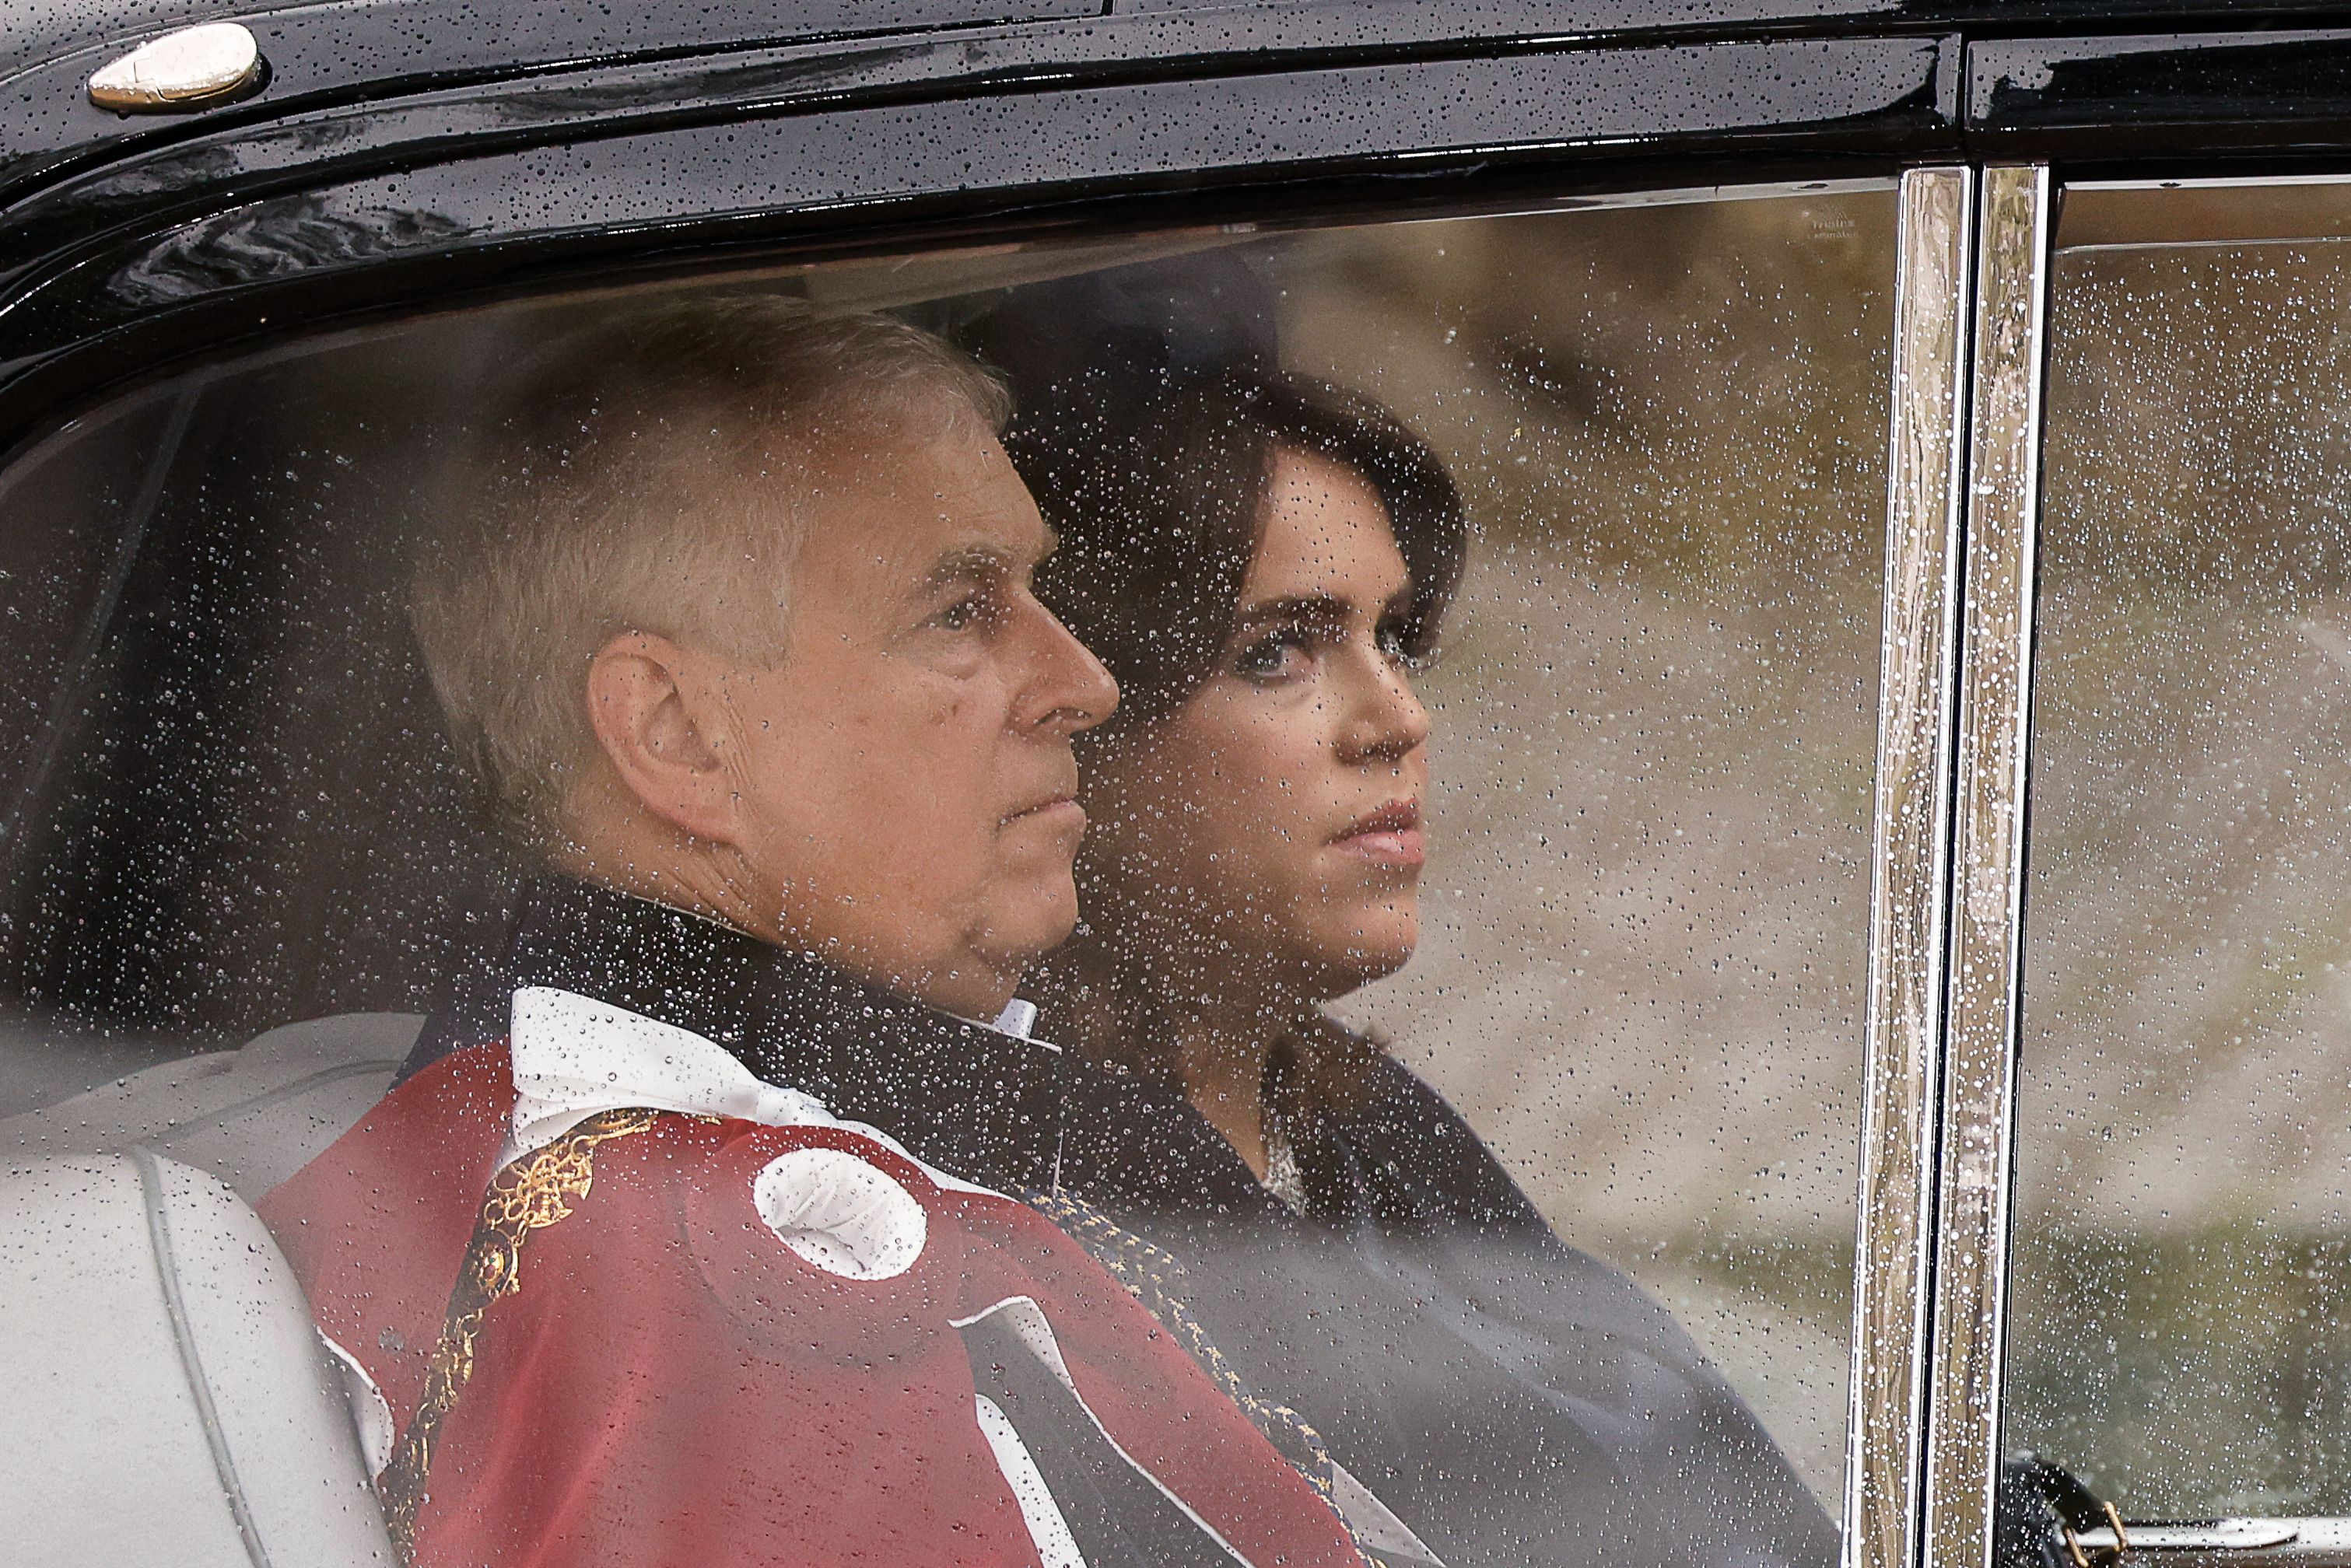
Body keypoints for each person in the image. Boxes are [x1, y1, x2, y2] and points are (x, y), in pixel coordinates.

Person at [255, 296, 1387, 1568]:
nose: (1086, 682)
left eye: (1037, 591)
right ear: (679, 734)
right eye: (960, 612)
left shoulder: (711, 1130)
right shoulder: (739, 1285)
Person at [990, 352, 1843, 1568]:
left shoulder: (1363, 1125)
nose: (1395, 717)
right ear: (1073, 710)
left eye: (1395, 638)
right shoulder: (1017, 1205)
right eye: (1276, 651)